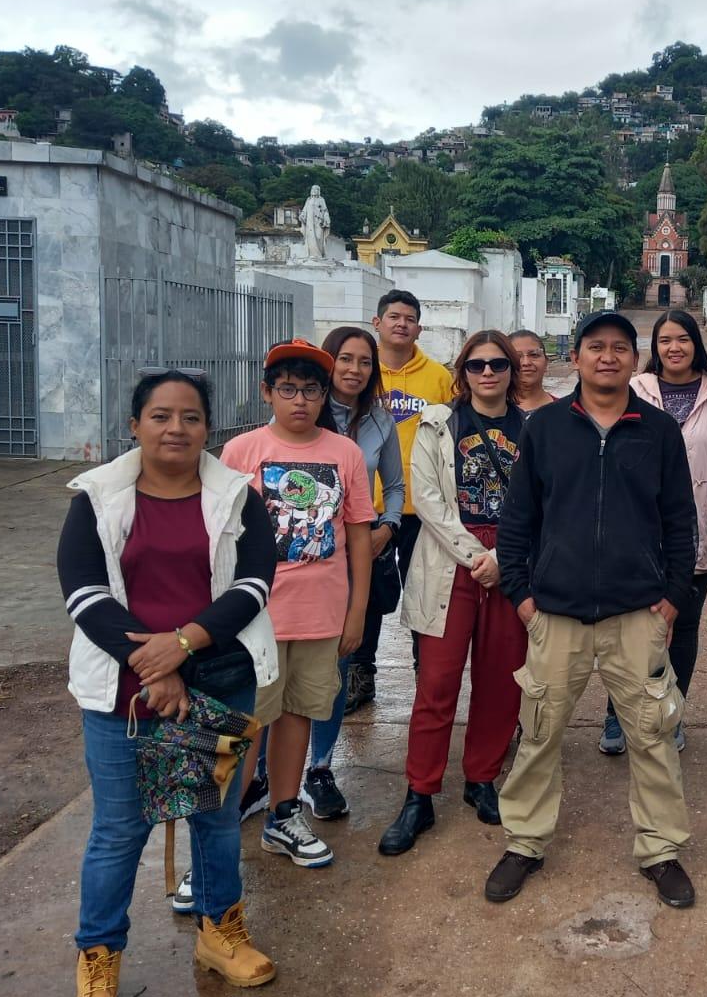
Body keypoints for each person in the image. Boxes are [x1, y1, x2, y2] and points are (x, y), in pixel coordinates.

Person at [57, 369, 278, 997]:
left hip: (215, 678)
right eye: (160, 416)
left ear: (208, 427)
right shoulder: (95, 498)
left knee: (214, 820)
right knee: (119, 832)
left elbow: (254, 581)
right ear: (135, 425)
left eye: (189, 417)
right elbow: (84, 591)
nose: (175, 428)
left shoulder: (237, 496)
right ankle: (98, 966)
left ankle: (220, 931)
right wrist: (151, 665)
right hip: (125, 692)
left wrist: (181, 647)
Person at [487, 310, 699, 909]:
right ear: (575, 358)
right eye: (595, 347)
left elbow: (681, 525)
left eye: (620, 349)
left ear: (636, 361)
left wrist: (671, 600)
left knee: (653, 734)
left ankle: (660, 849)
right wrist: (524, 599)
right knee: (540, 731)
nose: (607, 357)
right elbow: (518, 520)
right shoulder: (547, 428)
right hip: (555, 614)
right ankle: (525, 841)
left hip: (638, 616)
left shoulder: (658, 431)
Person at [221, 339, 374, 870]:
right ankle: (214, 842)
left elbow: (358, 536)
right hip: (254, 619)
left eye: (311, 390)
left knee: (298, 715)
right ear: (267, 392)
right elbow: (221, 537)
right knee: (246, 726)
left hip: (321, 615)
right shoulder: (242, 452)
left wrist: (356, 612)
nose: (300, 401)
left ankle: (283, 815)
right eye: (288, 389)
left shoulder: (344, 454)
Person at [379, 330, 528, 857]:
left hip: (510, 566)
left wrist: (503, 561)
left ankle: (482, 777)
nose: (487, 374)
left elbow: (542, 503)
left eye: (498, 365)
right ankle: (420, 793)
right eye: (476, 365)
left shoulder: (532, 429)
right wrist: (476, 559)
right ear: (462, 373)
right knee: (437, 684)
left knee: (501, 681)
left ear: (512, 372)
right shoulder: (437, 424)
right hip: (450, 561)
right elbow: (429, 498)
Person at [596, 310, 707, 755]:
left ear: (695, 343)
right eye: (665, 341)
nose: (674, 348)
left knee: (679, 628)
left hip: (699, 532)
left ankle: (671, 712)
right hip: (635, 533)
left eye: (682, 339)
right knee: (625, 629)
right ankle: (616, 714)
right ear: (654, 347)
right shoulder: (635, 390)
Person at [297, 326, 404, 820]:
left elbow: (396, 486)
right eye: (345, 359)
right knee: (280, 672)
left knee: (334, 673)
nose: (355, 370)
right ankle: (266, 775)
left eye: (365, 362)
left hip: (352, 563)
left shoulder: (380, 421)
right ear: (328, 362)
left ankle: (319, 767)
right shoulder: (300, 416)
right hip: (295, 569)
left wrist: (386, 528)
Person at [372, 288, 456, 677]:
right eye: (394, 316)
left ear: (419, 329)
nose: (401, 323)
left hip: (422, 508)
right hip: (368, 507)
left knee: (424, 592)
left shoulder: (439, 378)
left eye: (409, 318)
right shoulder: (361, 371)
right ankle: (361, 671)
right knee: (368, 594)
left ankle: (426, 666)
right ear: (377, 323)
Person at [510, 329, 557, 413]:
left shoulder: (565, 411)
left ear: (546, 362)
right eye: (517, 356)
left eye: (534, 355)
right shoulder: (490, 410)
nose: (526, 362)